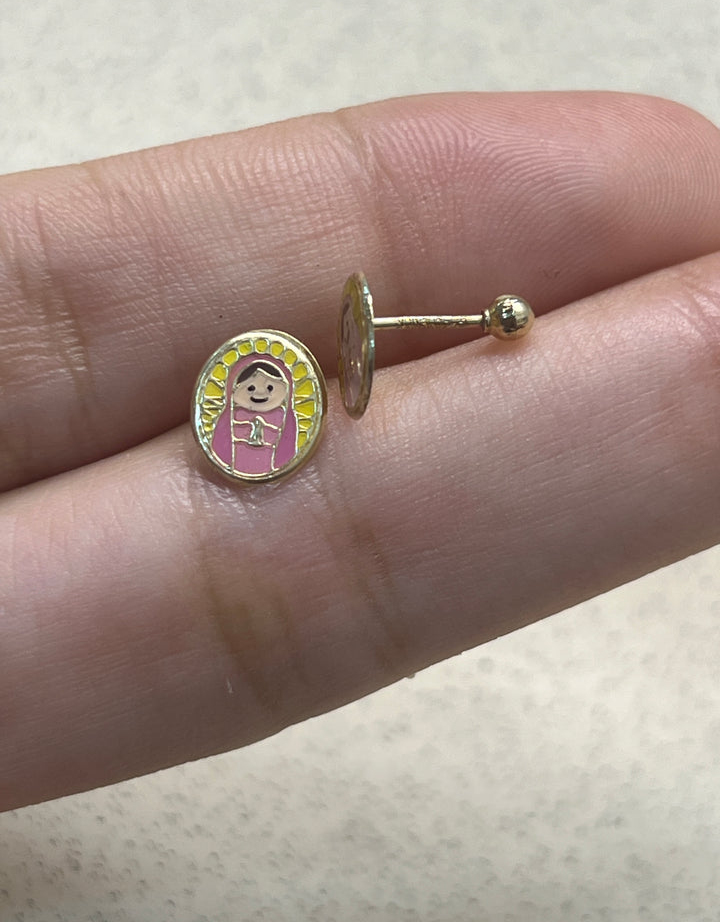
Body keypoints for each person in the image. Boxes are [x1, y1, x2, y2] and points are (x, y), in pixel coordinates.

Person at [0, 91, 719, 813]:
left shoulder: (294, 407)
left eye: (262, 387)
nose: (257, 394)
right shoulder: (248, 408)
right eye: (251, 387)